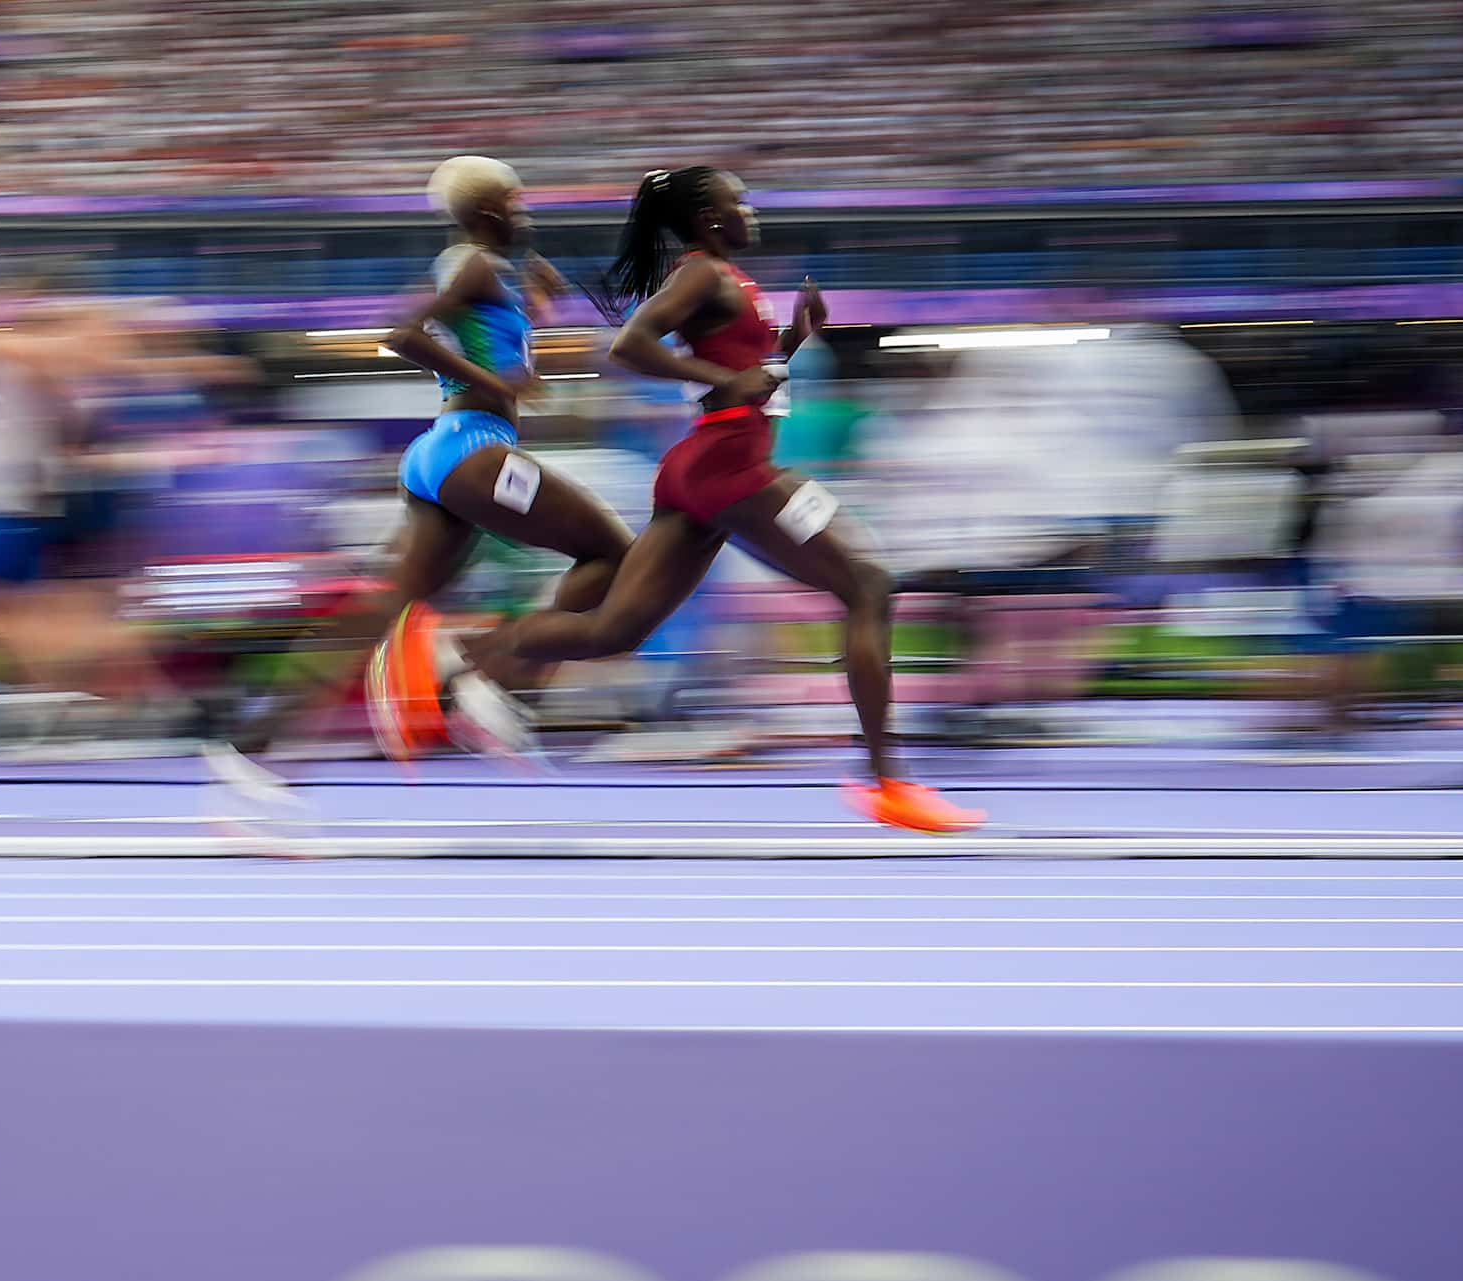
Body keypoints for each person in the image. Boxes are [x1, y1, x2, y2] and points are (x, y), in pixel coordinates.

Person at [372, 166, 981, 833]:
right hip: (732, 468)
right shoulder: (701, 274)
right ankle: (888, 783)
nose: (751, 212)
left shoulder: (731, 281)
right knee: (868, 584)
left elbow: (753, 381)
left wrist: (792, 342)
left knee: (614, 631)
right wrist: (723, 376)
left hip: (700, 474)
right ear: (707, 219)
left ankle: (461, 658)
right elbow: (632, 344)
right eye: (738, 203)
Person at [208, 157, 631, 802]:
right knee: (611, 551)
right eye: (519, 203)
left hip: (444, 456)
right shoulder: (477, 264)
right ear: (489, 211)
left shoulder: (487, 272)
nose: (529, 213)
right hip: (474, 451)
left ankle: (257, 746)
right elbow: (404, 335)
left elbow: (494, 349)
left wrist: (538, 309)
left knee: (382, 612)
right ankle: (490, 679)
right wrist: (494, 384)